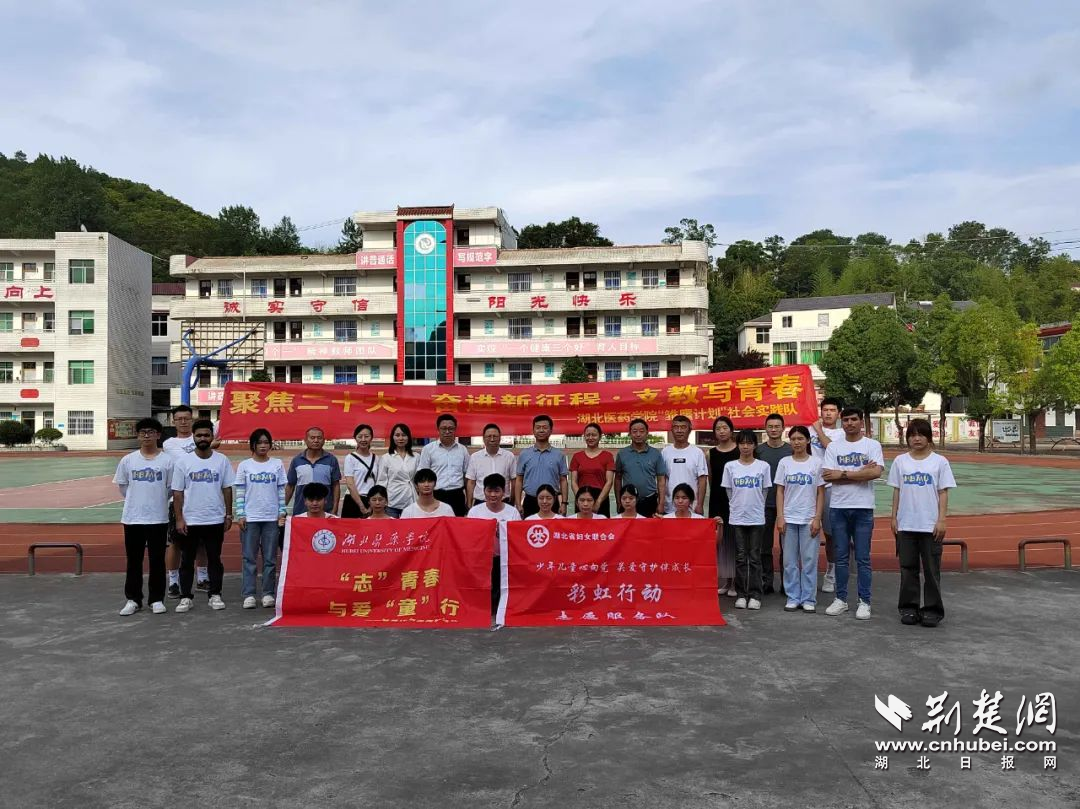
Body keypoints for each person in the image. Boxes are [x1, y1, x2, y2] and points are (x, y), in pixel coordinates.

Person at [889, 419, 956, 627]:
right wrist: (894, 517)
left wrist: (942, 519)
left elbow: (943, 492)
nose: (916, 439)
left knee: (931, 570)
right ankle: (909, 608)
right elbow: (897, 490)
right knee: (907, 568)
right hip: (906, 524)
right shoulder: (900, 461)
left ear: (928, 437)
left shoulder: (940, 462)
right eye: (912, 435)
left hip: (930, 525)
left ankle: (932, 610)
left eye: (921, 434)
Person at [822, 408, 884, 620]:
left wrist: (843, 473)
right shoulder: (834, 447)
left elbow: (875, 472)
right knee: (840, 557)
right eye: (846, 420)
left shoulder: (872, 445)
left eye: (854, 419)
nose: (849, 423)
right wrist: (861, 473)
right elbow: (828, 476)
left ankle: (864, 601)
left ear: (861, 422)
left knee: (863, 558)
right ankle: (840, 599)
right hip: (838, 508)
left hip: (863, 507)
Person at [171, 419, 235, 613]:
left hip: (215, 519)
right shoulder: (183, 462)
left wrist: (228, 514)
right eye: (199, 435)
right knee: (187, 560)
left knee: (214, 559)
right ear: (193, 437)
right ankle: (185, 597)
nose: (203, 438)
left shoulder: (222, 460)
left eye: (206, 435)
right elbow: (177, 493)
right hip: (190, 520)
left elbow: (227, 489)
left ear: (212, 436)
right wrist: (179, 519)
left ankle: (215, 594)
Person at [114, 418, 174, 616]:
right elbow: (123, 486)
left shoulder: (167, 461)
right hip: (133, 518)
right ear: (138, 435)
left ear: (158, 435)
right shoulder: (128, 460)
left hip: (158, 518)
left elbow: (170, 489)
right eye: (143, 432)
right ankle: (133, 599)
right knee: (134, 560)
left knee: (157, 561)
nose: (147, 435)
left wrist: (155, 500)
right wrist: (138, 500)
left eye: (151, 432)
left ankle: (156, 599)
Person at [162, 404, 212, 597]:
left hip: (201, 498)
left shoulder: (201, 436)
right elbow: (188, 459)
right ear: (173, 421)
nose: (183, 422)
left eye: (187, 418)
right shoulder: (169, 444)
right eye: (179, 419)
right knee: (175, 543)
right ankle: (173, 581)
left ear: (192, 419)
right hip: (178, 499)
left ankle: (202, 578)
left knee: (202, 543)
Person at [235, 428, 287, 609]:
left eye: (266, 442)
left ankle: (268, 593)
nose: (263, 446)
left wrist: (282, 511)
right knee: (249, 558)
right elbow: (240, 491)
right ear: (253, 445)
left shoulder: (277, 464)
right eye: (260, 443)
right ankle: (249, 594)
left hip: (271, 518)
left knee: (270, 558)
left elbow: (281, 490)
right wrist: (240, 514)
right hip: (250, 518)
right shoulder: (244, 466)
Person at [774, 426, 824, 613]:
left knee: (809, 561)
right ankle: (793, 597)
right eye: (793, 439)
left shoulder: (816, 463)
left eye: (800, 438)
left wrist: (817, 518)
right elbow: (780, 491)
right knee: (789, 562)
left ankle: (808, 598)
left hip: (808, 519)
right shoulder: (784, 463)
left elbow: (820, 492)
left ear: (808, 440)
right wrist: (780, 516)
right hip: (789, 519)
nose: (797, 442)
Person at [722, 429, 772, 610]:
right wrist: (737, 506)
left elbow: (765, 491)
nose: (745, 446)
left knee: (755, 557)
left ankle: (755, 595)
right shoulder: (730, 466)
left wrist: (756, 506)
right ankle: (742, 594)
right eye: (742, 443)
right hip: (737, 518)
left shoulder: (763, 466)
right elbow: (729, 491)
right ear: (737, 445)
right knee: (741, 557)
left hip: (756, 518)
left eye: (749, 443)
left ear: (754, 445)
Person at [467, 473, 522, 608]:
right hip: (482, 559)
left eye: (497, 491)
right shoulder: (474, 512)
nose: (493, 495)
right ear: (484, 491)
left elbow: (518, 538)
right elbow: (470, 538)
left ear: (504, 492)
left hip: (505, 559)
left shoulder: (512, 512)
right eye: (489, 491)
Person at [755, 413, 793, 595]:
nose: (774, 429)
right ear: (765, 429)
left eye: (777, 426)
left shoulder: (791, 450)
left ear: (783, 428)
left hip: (788, 505)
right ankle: (766, 581)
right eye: (770, 426)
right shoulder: (759, 451)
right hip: (764, 504)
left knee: (788, 547)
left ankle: (787, 583)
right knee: (765, 546)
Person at [810, 397, 845, 594]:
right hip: (809, 488)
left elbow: (832, 450)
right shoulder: (809, 429)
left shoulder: (841, 434)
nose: (828, 413)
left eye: (832, 410)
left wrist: (819, 431)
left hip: (831, 487)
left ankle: (831, 573)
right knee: (808, 531)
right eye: (825, 410)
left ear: (838, 413)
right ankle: (808, 573)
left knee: (831, 534)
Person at [708, 416, 739, 596]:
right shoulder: (710, 453)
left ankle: (735, 582)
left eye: (725, 427)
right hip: (717, 499)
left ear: (731, 430)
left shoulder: (739, 451)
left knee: (734, 540)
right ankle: (726, 581)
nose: (721, 431)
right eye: (718, 428)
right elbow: (711, 479)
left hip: (736, 500)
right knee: (720, 541)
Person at [418, 413, 470, 516]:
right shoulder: (428, 449)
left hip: (457, 495)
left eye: (450, 428)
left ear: (455, 429)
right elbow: (423, 475)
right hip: (436, 495)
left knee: (456, 524)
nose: (447, 432)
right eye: (443, 428)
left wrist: (468, 499)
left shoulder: (462, 450)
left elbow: (467, 475)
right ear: (438, 429)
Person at [517, 414, 568, 517]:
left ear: (551, 430)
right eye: (538, 427)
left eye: (544, 427)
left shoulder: (559, 455)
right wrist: (518, 503)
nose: (541, 430)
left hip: (551, 501)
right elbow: (519, 480)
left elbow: (563, 480)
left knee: (553, 527)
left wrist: (564, 503)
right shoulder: (524, 454)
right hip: (530, 501)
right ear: (533, 430)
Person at [614, 418, 668, 517]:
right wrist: (618, 502)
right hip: (628, 501)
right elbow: (617, 479)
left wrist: (661, 503)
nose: (638, 434)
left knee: (649, 527)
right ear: (630, 434)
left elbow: (661, 480)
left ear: (647, 433)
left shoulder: (655, 454)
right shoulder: (622, 454)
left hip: (649, 501)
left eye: (642, 431)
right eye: (634, 431)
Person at [285, 426, 341, 517]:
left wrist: (335, 509)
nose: (316, 440)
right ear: (305, 440)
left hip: (325, 512)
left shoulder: (331, 460)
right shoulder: (296, 460)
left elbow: (336, 485)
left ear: (324, 440)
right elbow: (290, 486)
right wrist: (282, 508)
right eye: (312, 438)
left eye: (319, 438)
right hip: (301, 511)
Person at [661, 415, 708, 517]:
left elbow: (702, 481)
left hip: (692, 508)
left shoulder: (697, 452)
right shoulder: (665, 452)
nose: (679, 430)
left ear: (690, 430)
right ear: (671, 430)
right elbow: (662, 480)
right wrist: (661, 503)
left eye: (683, 427)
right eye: (676, 427)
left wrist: (700, 504)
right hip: (670, 507)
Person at [465, 423, 518, 507]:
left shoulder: (509, 456)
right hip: (481, 502)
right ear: (483, 438)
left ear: (500, 438)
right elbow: (471, 482)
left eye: (495, 436)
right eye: (489, 436)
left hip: (503, 501)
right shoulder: (475, 457)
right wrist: (469, 503)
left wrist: (512, 500)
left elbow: (514, 481)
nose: (492, 439)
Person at [569, 423, 615, 517]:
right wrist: (581, 500)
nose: (590, 438)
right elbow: (573, 482)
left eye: (594, 435)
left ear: (600, 436)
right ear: (584, 436)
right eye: (588, 435)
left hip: (601, 497)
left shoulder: (608, 456)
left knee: (601, 525)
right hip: (581, 497)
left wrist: (598, 502)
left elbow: (609, 482)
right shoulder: (577, 457)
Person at [377, 423, 418, 518]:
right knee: (391, 526)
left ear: (408, 437)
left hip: (411, 500)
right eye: (397, 435)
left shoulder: (416, 457)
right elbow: (381, 482)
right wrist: (381, 500)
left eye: (404, 435)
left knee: (411, 526)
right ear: (393, 437)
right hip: (392, 501)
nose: (401, 438)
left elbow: (418, 480)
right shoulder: (386, 458)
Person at [341, 424, 379, 518]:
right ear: (355, 438)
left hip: (371, 501)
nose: (363, 439)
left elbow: (378, 482)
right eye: (360, 436)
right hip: (353, 500)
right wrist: (362, 506)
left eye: (366, 436)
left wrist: (371, 506)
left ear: (371, 438)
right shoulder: (350, 458)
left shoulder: (376, 458)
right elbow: (350, 484)